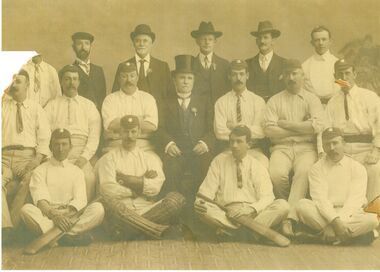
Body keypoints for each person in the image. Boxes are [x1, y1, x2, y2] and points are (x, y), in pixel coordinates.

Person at [194, 125, 289, 243]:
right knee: (204, 210)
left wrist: (251, 209)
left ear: (249, 144)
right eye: (232, 141)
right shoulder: (219, 161)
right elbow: (205, 193)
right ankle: (249, 233)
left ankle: (233, 233)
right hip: (225, 214)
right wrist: (200, 203)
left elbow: (268, 197)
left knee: (283, 205)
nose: (234, 145)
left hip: (252, 215)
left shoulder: (257, 165)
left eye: (239, 141)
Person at [263, 59, 325, 237]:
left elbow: (317, 126)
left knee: (304, 171)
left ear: (302, 76)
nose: (291, 78)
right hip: (281, 148)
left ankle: (288, 220)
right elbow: (269, 131)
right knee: (276, 173)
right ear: (283, 77)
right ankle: (285, 210)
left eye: (295, 73)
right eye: (288, 74)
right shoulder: (275, 100)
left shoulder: (312, 99)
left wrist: (285, 124)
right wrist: (302, 127)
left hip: (306, 148)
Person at [98, 115, 185, 240]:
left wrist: (127, 180)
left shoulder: (150, 158)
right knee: (108, 201)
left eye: (133, 131)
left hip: (148, 209)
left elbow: (156, 187)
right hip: (122, 208)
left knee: (176, 199)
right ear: (119, 133)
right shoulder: (109, 158)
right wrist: (137, 187)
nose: (129, 136)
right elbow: (108, 188)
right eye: (126, 131)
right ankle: (153, 229)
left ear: (139, 132)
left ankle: (127, 231)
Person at [21, 128, 105, 246]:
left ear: (70, 147)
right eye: (57, 144)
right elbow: (40, 201)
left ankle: (54, 237)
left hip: (70, 216)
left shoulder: (77, 171)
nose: (60, 149)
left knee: (98, 209)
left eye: (64, 144)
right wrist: (55, 215)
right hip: (49, 217)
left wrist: (65, 215)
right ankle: (69, 236)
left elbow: (80, 200)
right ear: (50, 147)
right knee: (26, 210)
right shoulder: (40, 170)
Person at [296, 127, 379, 245]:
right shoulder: (316, 169)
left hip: (350, 214)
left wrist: (335, 224)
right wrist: (334, 221)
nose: (332, 148)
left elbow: (355, 201)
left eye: (335, 143)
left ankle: (323, 236)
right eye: (327, 144)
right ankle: (351, 238)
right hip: (325, 214)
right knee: (302, 206)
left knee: (373, 218)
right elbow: (321, 200)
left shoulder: (357, 168)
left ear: (343, 143)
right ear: (323, 147)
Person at [155, 55, 215, 199]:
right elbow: (159, 128)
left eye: (189, 78)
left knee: (206, 165)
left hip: (197, 150)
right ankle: (174, 208)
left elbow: (213, 129)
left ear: (194, 81)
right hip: (176, 150)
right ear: (175, 80)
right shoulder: (164, 102)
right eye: (182, 77)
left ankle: (202, 206)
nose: (185, 82)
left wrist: (204, 143)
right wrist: (169, 144)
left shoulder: (204, 102)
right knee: (170, 167)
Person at [2, 70, 51, 244]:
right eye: (12, 80)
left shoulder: (36, 108)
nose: (14, 84)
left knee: (31, 178)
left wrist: (37, 159)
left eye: (19, 81)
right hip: (3, 157)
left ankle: (12, 229)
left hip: (27, 156)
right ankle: (5, 229)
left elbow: (45, 136)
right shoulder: (2, 105)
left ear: (27, 85)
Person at [326, 59, 380, 202]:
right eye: (340, 74)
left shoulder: (369, 97)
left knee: (374, 170)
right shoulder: (332, 103)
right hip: (342, 150)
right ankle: (349, 217)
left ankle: (374, 217)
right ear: (335, 78)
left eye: (347, 73)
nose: (344, 78)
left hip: (366, 148)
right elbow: (325, 131)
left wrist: (376, 151)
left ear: (355, 74)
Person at [45, 65, 101, 201]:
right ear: (61, 82)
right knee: (50, 177)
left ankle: (81, 214)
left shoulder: (88, 105)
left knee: (88, 177)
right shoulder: (52, 105)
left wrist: (84, 158)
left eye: (75, 79)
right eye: (67, 79)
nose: (72, 83)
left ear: (79, 82)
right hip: (57, 149)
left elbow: (94, 137)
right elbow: (44, 134)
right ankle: (58, 213)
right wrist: (49, 156)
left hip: (80, 151)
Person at [214, 59, 268, 168]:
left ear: (247, 76)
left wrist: (234, 126)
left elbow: (261, 131)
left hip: (253, 150)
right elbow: (219, 132)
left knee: (263, 165)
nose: (238, 78)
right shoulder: (221, 102)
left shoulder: (258, 101)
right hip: (229, 150)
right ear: (229, 76)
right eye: (234, 74)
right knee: (219, 167)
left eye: (241, 74)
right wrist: (249, 131)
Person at [102, 62, 158, 153]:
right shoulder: (110, 99)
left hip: (143, 147)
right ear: (119, 79)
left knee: (155, 166)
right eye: (124, 76)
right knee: (106, 166)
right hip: (116, 145)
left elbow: (152, 126)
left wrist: (120, 123)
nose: (129, 80)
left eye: (132, 76)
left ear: (137, 78)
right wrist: (140, 120)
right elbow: (110, 125)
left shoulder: (148, 98)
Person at [112, 24, 173, 102]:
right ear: (133, 44)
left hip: (157, 112)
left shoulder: (162, 67)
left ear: (151, 43)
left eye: (145, 41)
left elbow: (170, 97)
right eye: (138, 41)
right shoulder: (123, 66)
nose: (141, 44)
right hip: (130, 110)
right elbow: (115, 95)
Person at [246, 21, 287, 102]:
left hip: (277, 109)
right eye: (260, 38)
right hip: (255, 109)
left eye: (265, 37)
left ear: (273, 41)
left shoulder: (284, 63)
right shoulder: (248, 64)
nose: (262, 41)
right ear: (256, 41)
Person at [191, 21, 230, 105]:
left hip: (219, 110)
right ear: (197, 41)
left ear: (215, 41)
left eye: (210, 39)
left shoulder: (224, 65)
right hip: (197, 111)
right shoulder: (190, 64)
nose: (207, 42)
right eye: (203, 39)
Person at [66, 32, 107, 111]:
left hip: (97, 115)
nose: (83, 47)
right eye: (79, 44)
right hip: (77, 113)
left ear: (91, 47)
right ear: (73, 47)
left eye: (87, 44)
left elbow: (103, 98)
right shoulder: (68, 71)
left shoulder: (98, 70)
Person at [302, 26, 339, 105]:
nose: (321, 43)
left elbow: (344, 86)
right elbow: (302, 92)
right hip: (312, 108)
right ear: (312, 43)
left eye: (324, 39)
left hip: (336, 106)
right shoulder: (305, 66)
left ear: (330, 41)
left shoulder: (338, 64)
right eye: (317, 40)